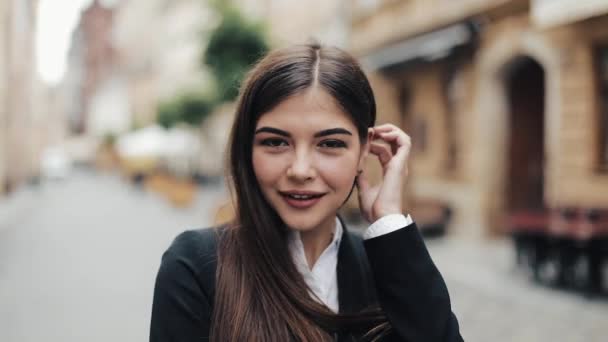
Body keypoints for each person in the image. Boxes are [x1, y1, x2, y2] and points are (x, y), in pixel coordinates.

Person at [150, 43, 463, 342]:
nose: (300, 170)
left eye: (330, 144)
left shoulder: (389, 266)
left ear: (363, 152)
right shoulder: (196, 266)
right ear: (248, 149)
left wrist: (389, 223)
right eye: (275, 142)